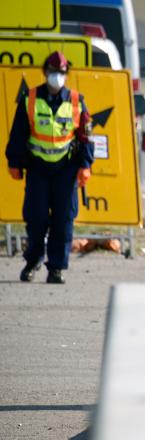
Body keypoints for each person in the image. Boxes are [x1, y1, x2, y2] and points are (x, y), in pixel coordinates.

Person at [5, 51, 93, 284]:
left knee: (64, 220)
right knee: (36, 219)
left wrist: (85, 164)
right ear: (45, 72)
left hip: (66, 169)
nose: (57, 76)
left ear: (66, 74)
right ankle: (32, 261)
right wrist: (13, 161)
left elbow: (85, 136)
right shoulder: (30, 98)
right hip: (38, 168)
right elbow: (18, 134)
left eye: (61, 72)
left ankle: (56, 268)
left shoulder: (76, 100)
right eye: (53, 72)